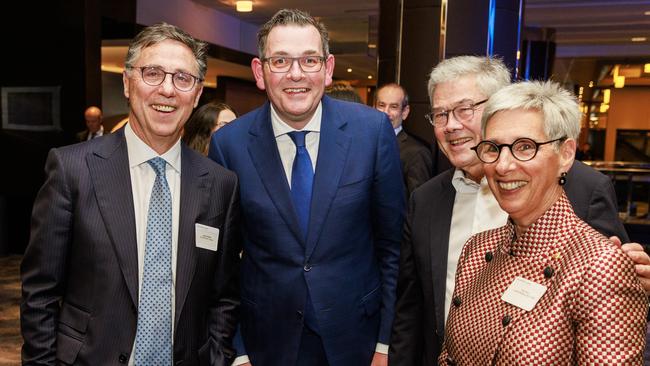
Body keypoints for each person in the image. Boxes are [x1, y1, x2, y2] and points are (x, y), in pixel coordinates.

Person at [389, 56, 650, 365]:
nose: (504, 165)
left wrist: (629, 276)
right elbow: (415, 309)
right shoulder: (463, 235)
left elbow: (613, 297)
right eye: (441, 114)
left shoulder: (586, 197)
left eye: (525, 146)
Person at [21, 23, 241, 365]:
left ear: (197, 94)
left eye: (183, 78)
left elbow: (223, 296)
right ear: (127, 82)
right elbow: (40, 294)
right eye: (153, 73)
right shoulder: (72, 169)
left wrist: (217, 357)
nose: (167, 90)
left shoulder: (220, 183)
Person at [208, 9, 404, 366]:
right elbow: (223, 265)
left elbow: (392, 248)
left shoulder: (372, 133)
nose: (295, 74)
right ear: (259, 72)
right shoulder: (229, 145)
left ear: (327, 69)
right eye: (280, 60)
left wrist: (384, 343)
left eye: (309, 60)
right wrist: (238, 350)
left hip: (356, 339)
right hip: (267, 343)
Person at [375, 83, 432, 196]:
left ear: (405, 112)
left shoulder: (416, 153)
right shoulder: (364, 143)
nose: (386, 113)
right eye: (381, 105)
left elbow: (418, 203)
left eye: (393, 107)